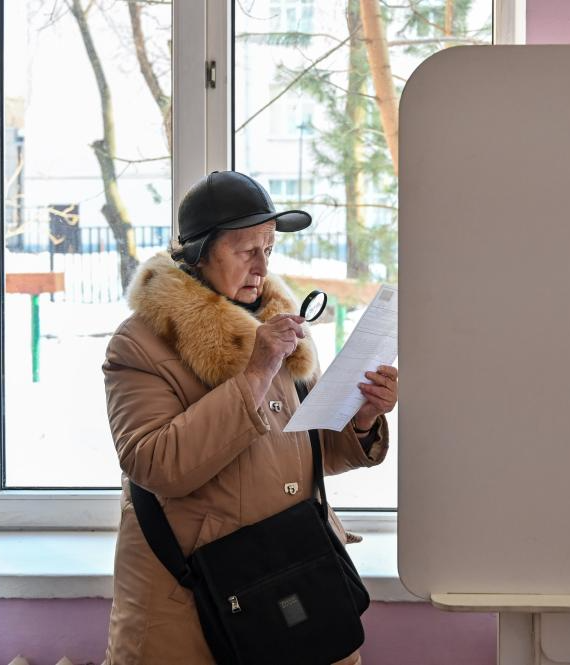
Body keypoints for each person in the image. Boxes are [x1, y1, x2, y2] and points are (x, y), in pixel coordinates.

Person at [101, 171, 397, 665]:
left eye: (269, 249)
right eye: (245, 251)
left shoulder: (279, 326)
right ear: (199, 252)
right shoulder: (139, 343)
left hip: (292, 580)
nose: (262, 266)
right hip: (190, 604)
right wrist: (256, 373)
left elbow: (305, 451)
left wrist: (363, 418)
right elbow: (155, 465)